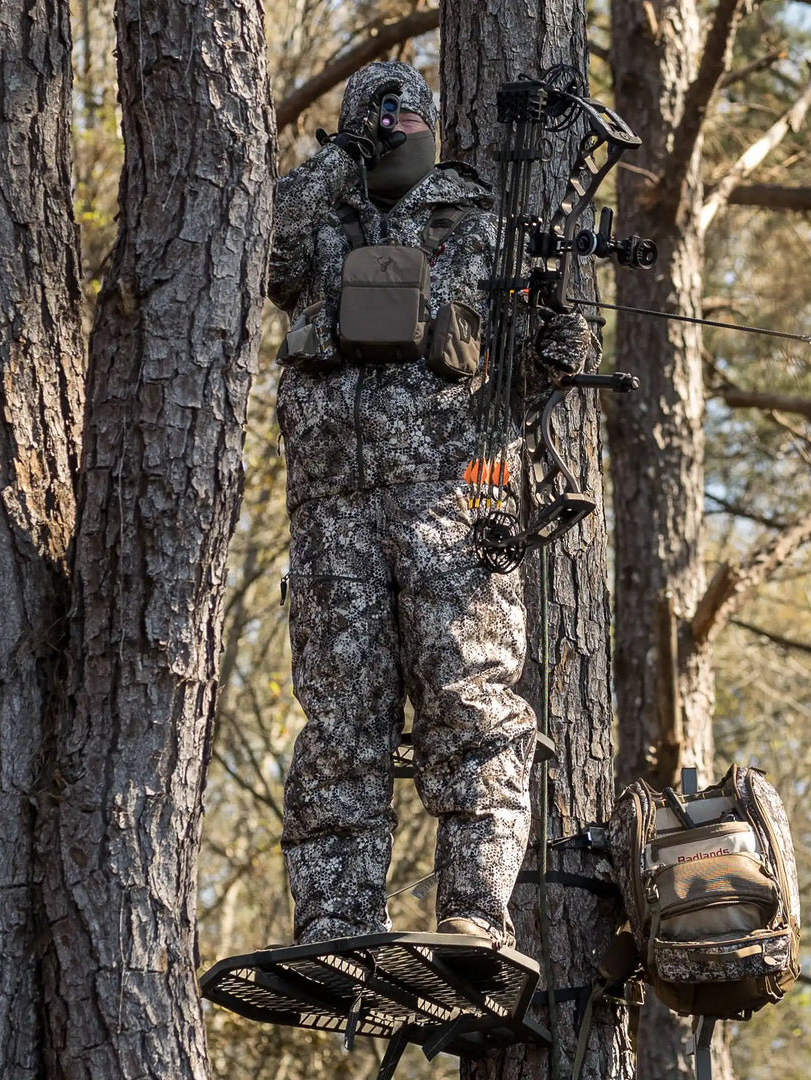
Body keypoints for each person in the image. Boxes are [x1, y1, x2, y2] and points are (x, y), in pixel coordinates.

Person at [269, 60, 593, 949]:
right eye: (376, 116)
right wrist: (341, 160)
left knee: (473, 709)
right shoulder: (317, 226)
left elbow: (531, 371)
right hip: (332, 513)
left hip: (452, 504)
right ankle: (336, 921)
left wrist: (559, 349)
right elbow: (265, 251)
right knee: (339, 723)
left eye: (408, 113)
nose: (394, 126)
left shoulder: (476, 226)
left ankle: (474, 915)